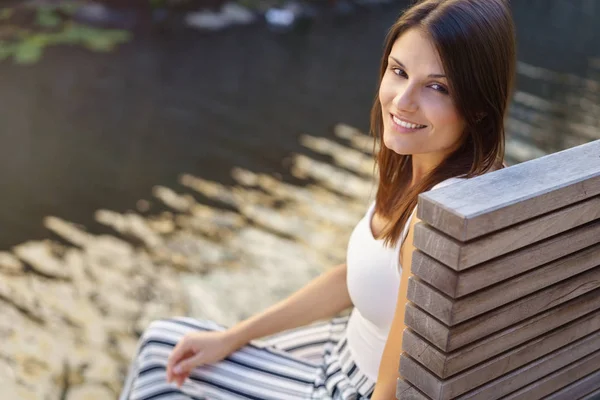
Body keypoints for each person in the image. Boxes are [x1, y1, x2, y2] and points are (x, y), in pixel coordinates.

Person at [119, 0, 516, 398]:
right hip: (342, 344)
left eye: (437, 87)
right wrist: (232, 337)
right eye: (399, 71)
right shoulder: (425, 168)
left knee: (160, 353)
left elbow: (393, 387)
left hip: (349, 385)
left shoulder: (439, 217)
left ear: (479, 107)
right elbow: (354, 276)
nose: (402, 100)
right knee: (190, 348)